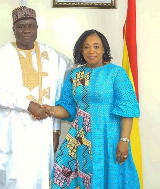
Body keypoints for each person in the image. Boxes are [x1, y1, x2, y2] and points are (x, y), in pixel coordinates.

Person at [0, 6, 73, 189]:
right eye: (21, 26)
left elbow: (58, 96)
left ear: (36, 27)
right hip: (11, 134)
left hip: (42, 133)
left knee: (40, 180)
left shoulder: (53, 57)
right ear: (13, 30)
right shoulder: (1, 57)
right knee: (12, 180)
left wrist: (56, 131)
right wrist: (27, 105)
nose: (26, 30)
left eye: (31, 26)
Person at [42, 29, 140, 188]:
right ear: (81, 50)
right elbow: (68, 108)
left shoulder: (116, 73)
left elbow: (127, 109)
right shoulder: (74, 75)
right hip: (80, 139)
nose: (91, 51)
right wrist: (50, 110)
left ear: (103, 49)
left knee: (111, 177)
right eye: (86, 47)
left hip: (109, 136)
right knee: (64, 176)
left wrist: (124, 140)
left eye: (96, 46)